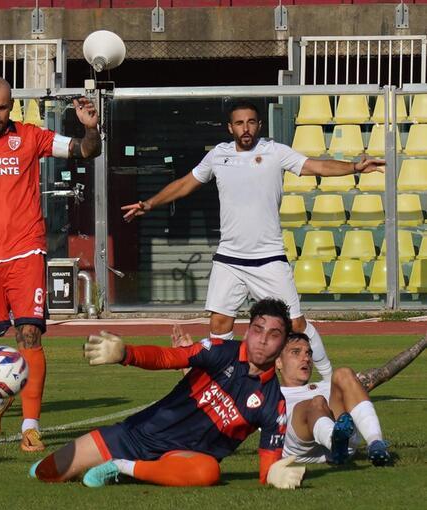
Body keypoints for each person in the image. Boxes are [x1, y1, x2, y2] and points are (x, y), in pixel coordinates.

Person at [121, 101, 386, 383]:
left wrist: (355, 167)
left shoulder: (275, 152)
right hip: (229, 260)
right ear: (230, 127)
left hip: (269, 259)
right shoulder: (217, 156)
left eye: (250, 122)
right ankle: (221, 384)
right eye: (239, 123)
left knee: (295, 324)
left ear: (259, 125)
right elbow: (186, 183)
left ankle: (331, 380)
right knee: (219, 324)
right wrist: (148, 204)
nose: (245, 128)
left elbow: (315, 166)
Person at [0, 76, 103, 452]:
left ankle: (31, 426)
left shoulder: (30, 137)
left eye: (3, 107)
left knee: (29, 334)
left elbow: (85, 151)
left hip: (25, 251)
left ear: (11, 106)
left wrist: (91, 129)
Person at [31, 298, 305, 490]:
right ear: (248, 332)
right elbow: (169, 357)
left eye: (274, 334)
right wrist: (127, 354)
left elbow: (267, 469)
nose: (263, 339)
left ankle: (122, 467)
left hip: (184, 459)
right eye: (258, 330)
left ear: (282, 344)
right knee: (46, 474)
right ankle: (129, 465)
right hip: (137, 434)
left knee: (208, 472)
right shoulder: (221, 351)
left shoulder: (274, 404)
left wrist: (275, 476)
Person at [276, 332, 394, 466]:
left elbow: (382, 375)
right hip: (299, 447)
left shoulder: (327, 386)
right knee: (317, 402)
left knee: (343, 373)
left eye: (308, 353)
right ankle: (334, 441)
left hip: (343, 442)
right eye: (296, 352)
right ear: (278, 361)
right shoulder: (270, 394)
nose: (306, 358)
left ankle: (375, 443)